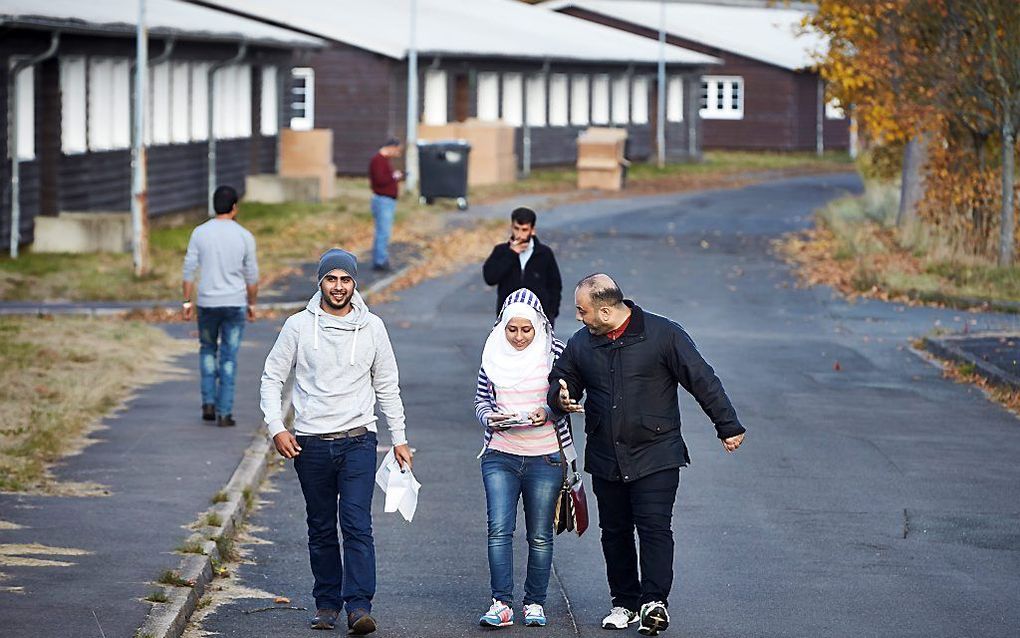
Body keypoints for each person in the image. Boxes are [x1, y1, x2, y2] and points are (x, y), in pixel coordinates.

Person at [548, 273, 745, 637]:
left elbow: (701, 377)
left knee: (654, 527)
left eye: (582, 310)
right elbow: (562, 380)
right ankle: (624, 603)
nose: (578, 317)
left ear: (605, 311)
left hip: (657, 452)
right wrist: (559, 398)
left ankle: (654, 603)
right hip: (606, 454)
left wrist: (727, 425)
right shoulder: (582, 344)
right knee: (615, 531)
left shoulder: (663, 334)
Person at [259, 248, 414, 634]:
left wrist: (400, 438)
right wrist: (276, 427)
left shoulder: (373, 327)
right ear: (321, 282)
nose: (339, 287)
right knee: (321, 527)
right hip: (310, 443)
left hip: (358, 440)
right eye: (332, 279)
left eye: (346, 280)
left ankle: (358, 606)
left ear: (355, 283)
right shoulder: (297, 326)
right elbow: (272, 378)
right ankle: (327, 604)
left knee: (357, 524)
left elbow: (387, 386)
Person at [474, 288, 577, 629]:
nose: (518, 337)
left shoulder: (555, 353)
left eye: (526, 330)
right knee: (499, 530)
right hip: (500, 454)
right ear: (503, 326)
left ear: (538, 327)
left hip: (545, 456)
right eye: (512, 329)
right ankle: (501, 603)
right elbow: (480, 401)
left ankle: (535, 602)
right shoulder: (492, 352)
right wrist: (490, 418)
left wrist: (547, 411)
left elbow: (571, 398)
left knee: (540, 535)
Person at [181, 184, 258, 427]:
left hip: (206, 303)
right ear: (235, 208)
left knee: (206, 349)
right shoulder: (244, 236)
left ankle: (208, 404)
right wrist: (252, 303)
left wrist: (186, 302)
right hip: (234, 303)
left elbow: (188, 269)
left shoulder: (199, 233)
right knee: (228, 357)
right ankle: (225, 413)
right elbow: (252, 275)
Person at [482, 207, 563, 327]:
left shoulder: (544, 253)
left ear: (532, 230)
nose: (519, 234)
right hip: (508, 317)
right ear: (512, 227)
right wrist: (511, 254)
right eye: (516, 229)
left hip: (538, 318)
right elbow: (490, 278)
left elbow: (555, 285)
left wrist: (551, 313)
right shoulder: (501, 251)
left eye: (524, 230)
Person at [368, 138, 405, 272]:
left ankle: (381, 258)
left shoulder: (383, 161)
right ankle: (380, 261)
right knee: (383, 231)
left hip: (386, 200)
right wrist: (393, 176)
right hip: (383, 200)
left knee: (384, 231)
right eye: (397, 151)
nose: (398, 154)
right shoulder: (378, 160)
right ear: (391, 147)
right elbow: (380, 180)